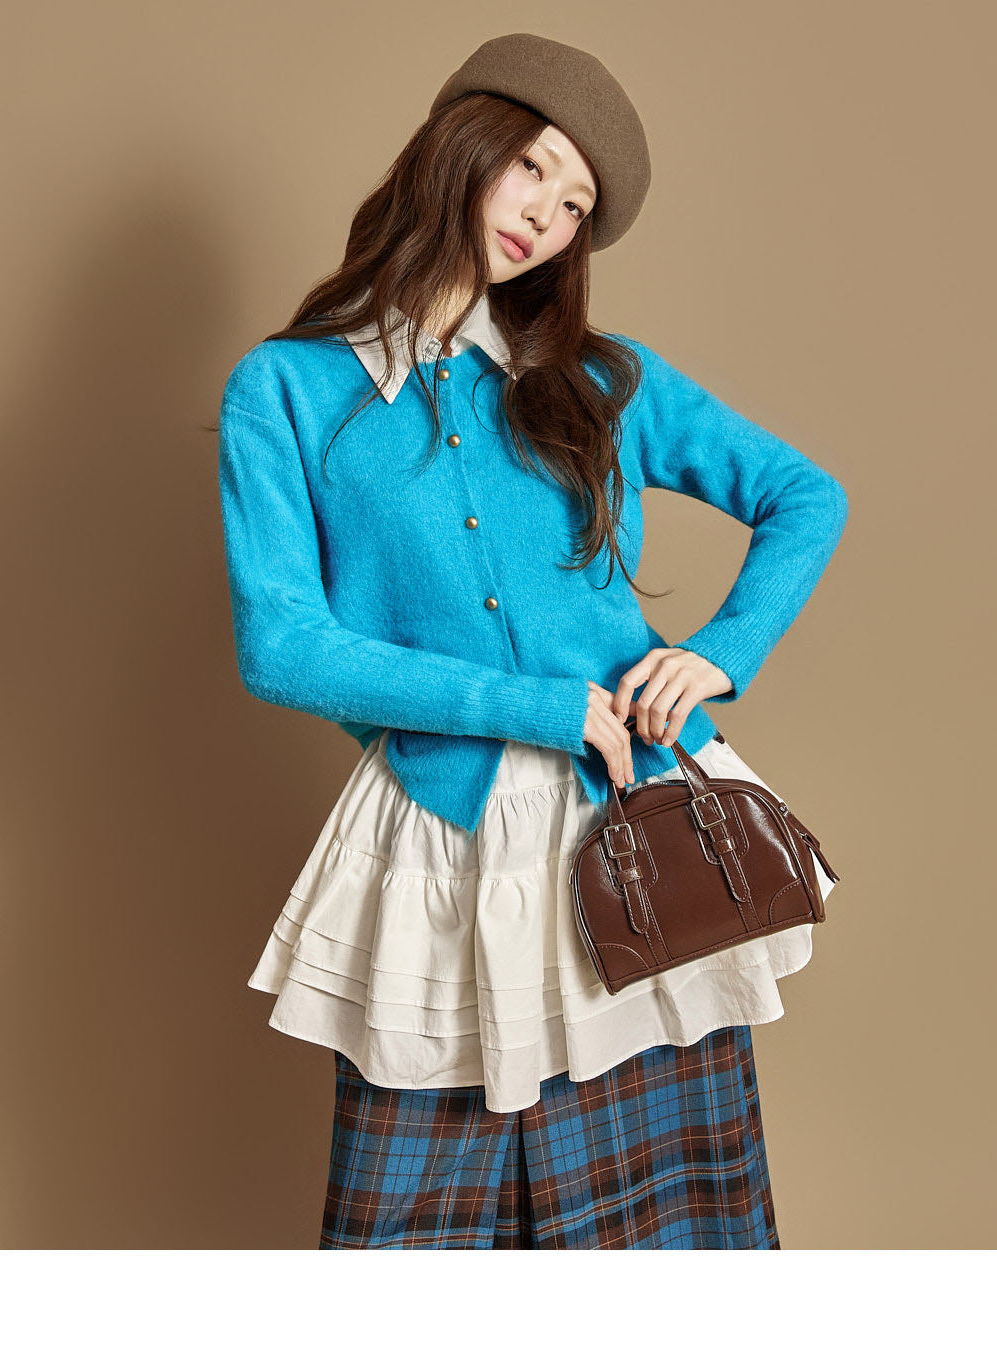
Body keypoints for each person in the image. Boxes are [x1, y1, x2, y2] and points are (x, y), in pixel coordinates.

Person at [216, 32, 848, 1249]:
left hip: (639, 829)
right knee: (420, 1228)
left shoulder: (601, 380)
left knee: (667, 1227)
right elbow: (282, 646)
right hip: (444, 842)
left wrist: (720, 652)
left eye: (574, 208)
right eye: (533, 169)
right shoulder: (285, 390)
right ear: (462, 146)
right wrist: (532, 706)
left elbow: (802, 494)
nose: (545, 218)